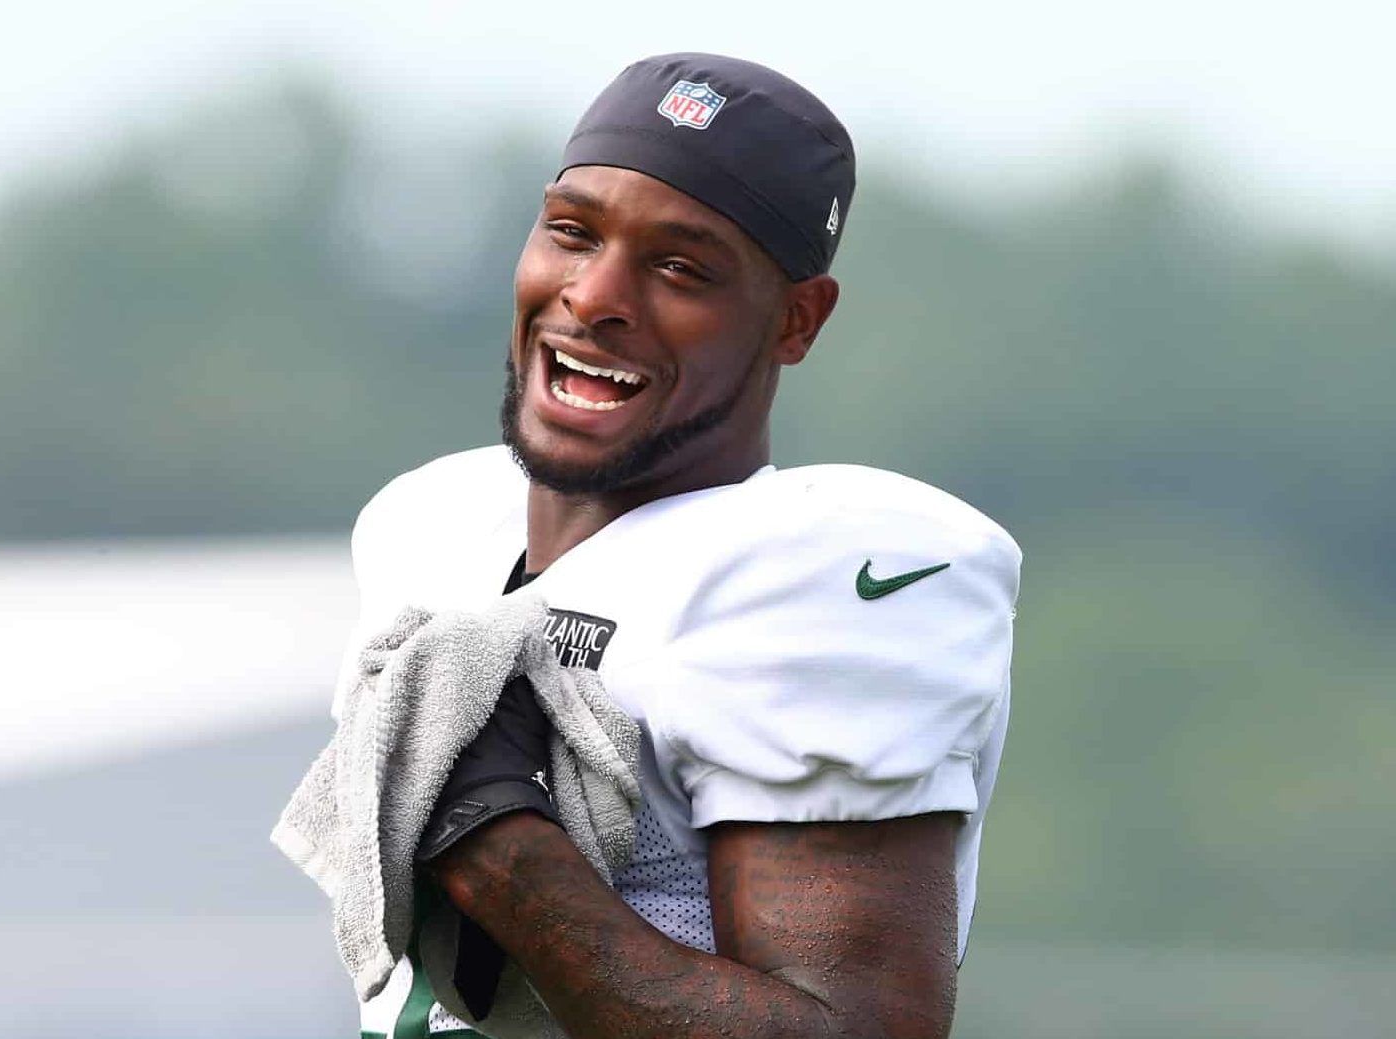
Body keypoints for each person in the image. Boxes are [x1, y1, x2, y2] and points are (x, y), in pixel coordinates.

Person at [337, 53, 1020, 1039]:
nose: (595, 294)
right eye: (572, 233)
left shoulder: (808, 580)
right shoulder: (426, 530)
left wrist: (511, 862)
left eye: (679, 267)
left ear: (796, 319)